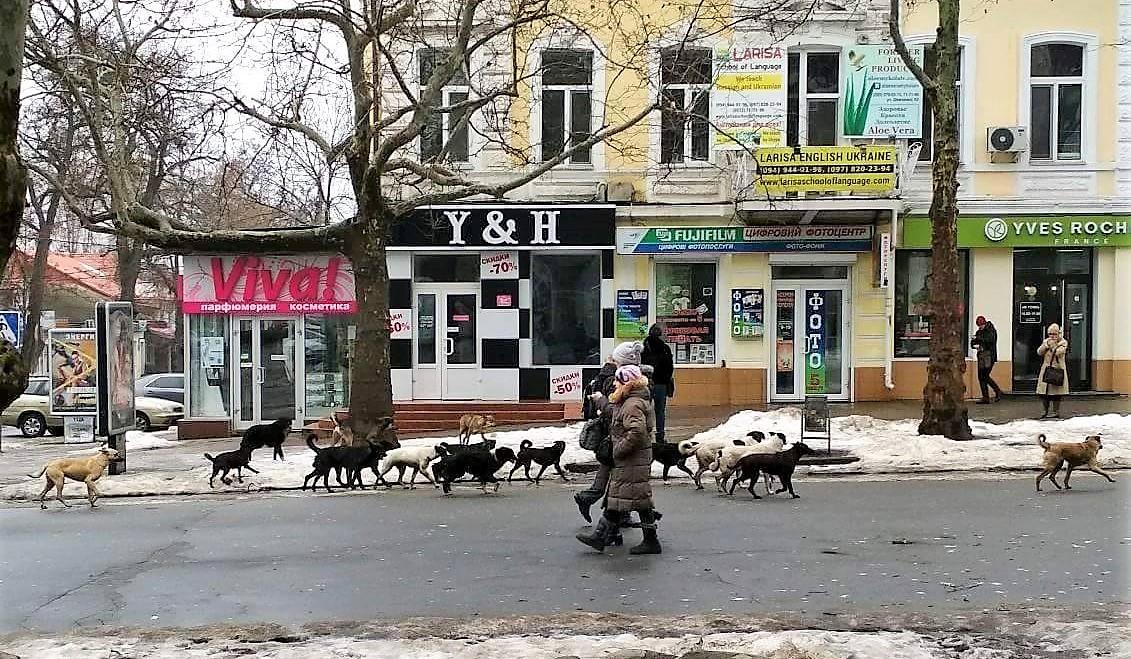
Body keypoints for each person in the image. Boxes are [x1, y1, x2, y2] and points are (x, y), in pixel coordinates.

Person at [576, 364, 661, 555]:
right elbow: (615, 413)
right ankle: (603, 537)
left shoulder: (632, 404)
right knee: (625, 497)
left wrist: (618, 450)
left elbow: (637, 432)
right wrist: (601, 401)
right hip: (632, 458)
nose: (614, 383)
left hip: (632, 458)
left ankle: (648, 541)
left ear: (627, 382)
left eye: (618, 380)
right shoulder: (631, 400)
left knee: (634, 497)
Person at [573, 341, 641, 524]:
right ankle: (613, 515)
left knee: (612, 471)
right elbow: (615, 409)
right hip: (616, 432)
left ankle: (612, 511)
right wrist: (602, 402)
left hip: (613, 432)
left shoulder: (612, 375)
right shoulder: (616, 378)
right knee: (620, 475)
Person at [641, 324, 674, 442]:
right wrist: (666, 379)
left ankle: (645, 435)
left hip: (646, 384)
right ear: (660, 335)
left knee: (644, 410)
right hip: (661, 384)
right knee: (660, 411)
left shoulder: (643, 348)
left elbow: (639, 365)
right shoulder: (665, 348)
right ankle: (660, 435)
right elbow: (670, 367)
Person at [1036, 323, 1069, 419]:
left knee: (1056, 394)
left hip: (1057, 370)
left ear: (1059, 334)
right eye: (1050, 334)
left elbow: (1058, 353)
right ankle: (1044, 411)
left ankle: (1055, 411)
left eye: (1054, 334)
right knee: (1044, 393)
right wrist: (1046, 345)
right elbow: (1039, 352)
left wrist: (1053, 345)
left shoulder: (1063, 343)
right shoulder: (1046, 341)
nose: (1052, 336)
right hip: (1046, 369)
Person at [970, 315, 1003, 404]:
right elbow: (973, 343)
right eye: (979, 326)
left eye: (981, 325)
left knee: (985, 376)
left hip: (989, 356)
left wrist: (978, 339)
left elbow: (990, 340)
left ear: (984, 323)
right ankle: (986, 397)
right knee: (981, 377)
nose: (980, 327)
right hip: (981, 356)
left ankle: (997, 391)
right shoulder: (979, 332)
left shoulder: (991, 331)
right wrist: (974, 344)